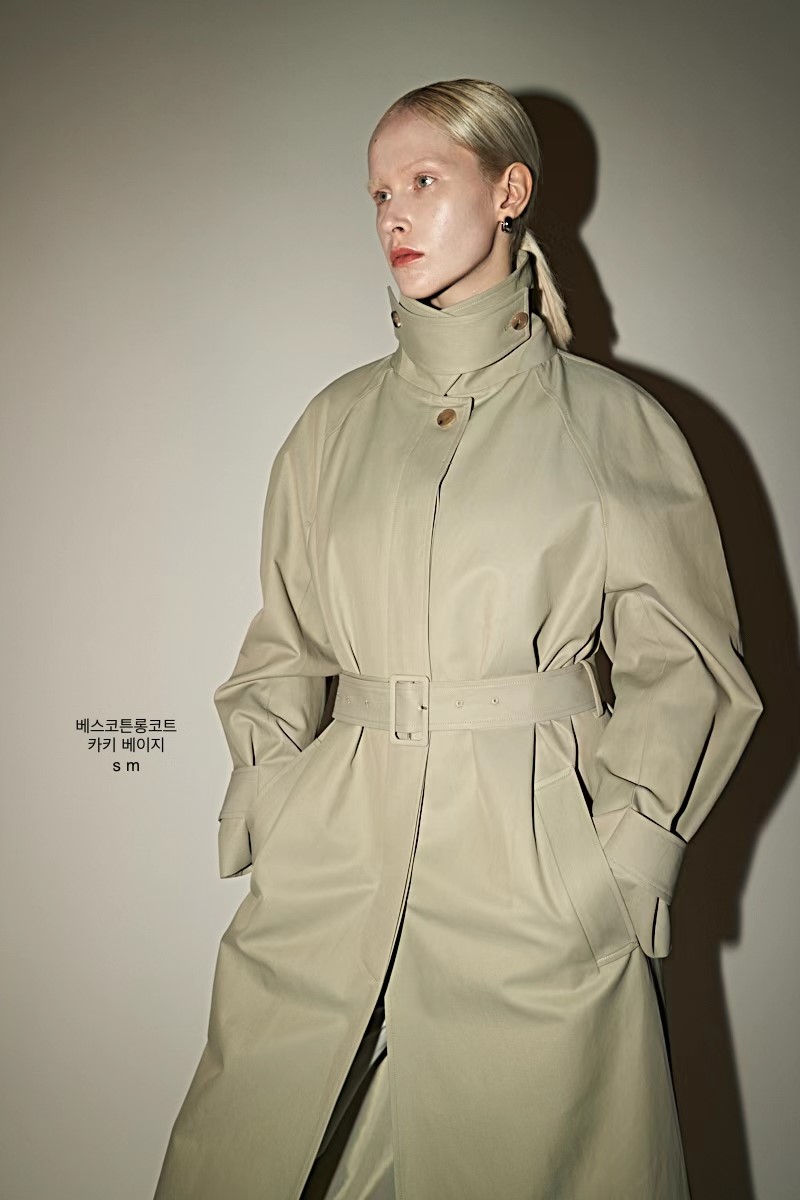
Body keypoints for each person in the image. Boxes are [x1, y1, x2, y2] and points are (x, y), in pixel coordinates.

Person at [153, 78, 764, 1200]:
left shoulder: (610, 422)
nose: (393, 213)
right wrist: (276, 801)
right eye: (378, 193)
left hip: (533, 882)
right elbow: (283, 645)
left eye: (424, 181)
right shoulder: (330, 427)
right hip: (335, 865)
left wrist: (624, 854)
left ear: (508, 192)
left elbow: (686, 664)